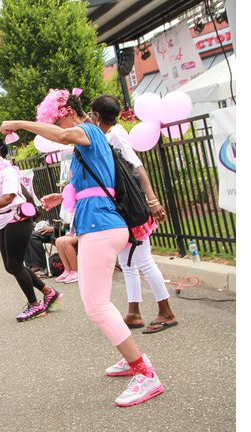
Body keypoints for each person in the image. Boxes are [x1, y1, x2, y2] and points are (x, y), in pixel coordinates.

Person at [0, 87, 163, 406]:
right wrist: (62, 197)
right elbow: (96, 184)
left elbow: (64, 137)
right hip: (101, 226)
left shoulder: (87, 129)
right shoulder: (90, 140)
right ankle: (133, 360)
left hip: (101, 228)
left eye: (58, 121)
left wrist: (20, 123)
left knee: (97, 307)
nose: (60, 129)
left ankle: (145, 373)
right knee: (101, 305)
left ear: (68, 113)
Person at [90, 94, 177, 333]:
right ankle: (133, 312)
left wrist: (153, 200)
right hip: (121, 207)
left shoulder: (116, 134)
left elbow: (137, 165)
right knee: (126, 263)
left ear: (97, 115)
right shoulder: (104, 136)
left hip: (133, 205)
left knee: (143, 261)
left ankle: (166, 312)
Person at [0, 137, 63, 322]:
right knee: (10, 266)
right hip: (3, 219)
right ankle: (48, 292)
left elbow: (8, 198)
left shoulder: (8, 171)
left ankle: (35, 305)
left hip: (17, 217)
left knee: (15, 264)